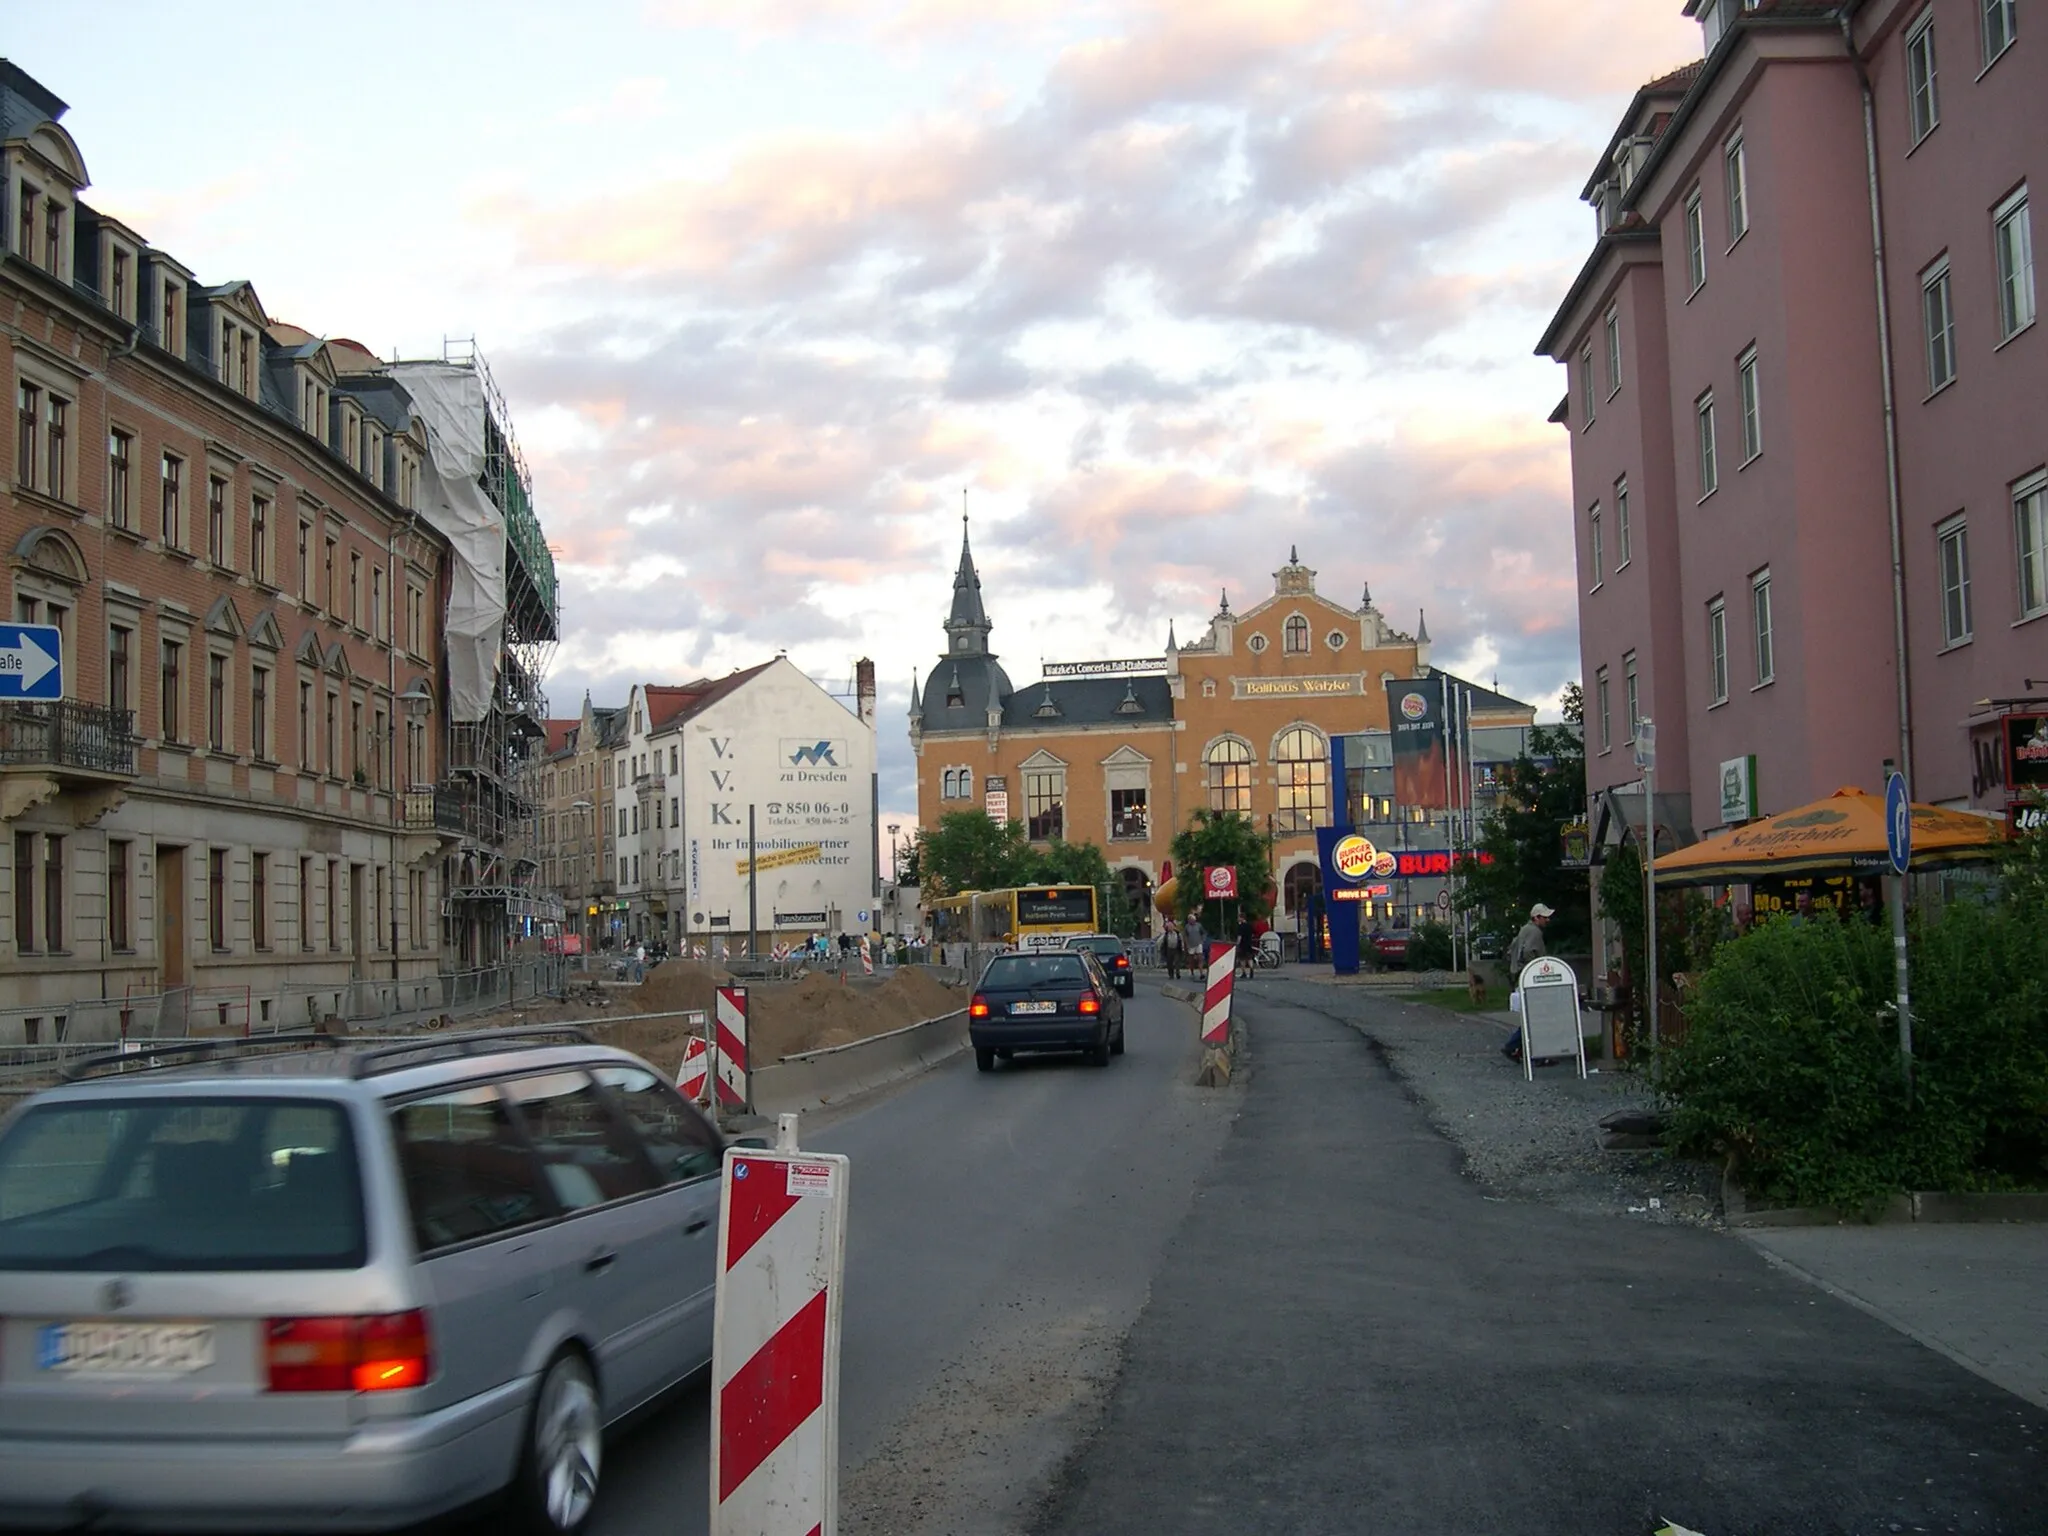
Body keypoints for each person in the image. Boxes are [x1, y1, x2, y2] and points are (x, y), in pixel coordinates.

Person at [1500, 903, 1553, 1062]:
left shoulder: (1524, 930)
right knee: (1536, 1017)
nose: (1547, 920)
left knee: (1532, 1017)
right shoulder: (1535, 932)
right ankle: (1520, 1048)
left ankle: (1520, 1049)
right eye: (1545, 917)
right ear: (1536, 918)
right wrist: (1536, 967)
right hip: (1531, 978)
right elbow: (1529, 951)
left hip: (1520, 977)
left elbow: (1511, 950)